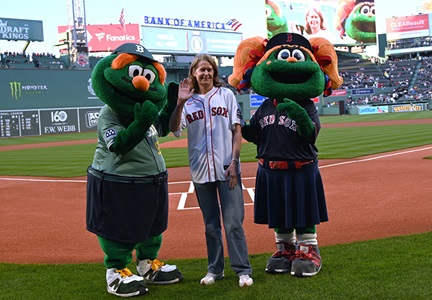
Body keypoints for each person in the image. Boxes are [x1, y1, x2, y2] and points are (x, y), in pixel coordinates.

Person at [169, 53, 253, 287]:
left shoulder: (226, 95)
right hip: (199, 170)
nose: (205, 73)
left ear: (214, 73)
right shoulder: (188, 101)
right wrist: (180, 103)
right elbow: (175, 128)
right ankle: (215, 270)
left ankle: (243, 270)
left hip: (228, 169)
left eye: (209, 69)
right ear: (194, 73)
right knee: (210, 225)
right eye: (201, 70)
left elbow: (237, 131)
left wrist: (235, 162)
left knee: (233, 222)